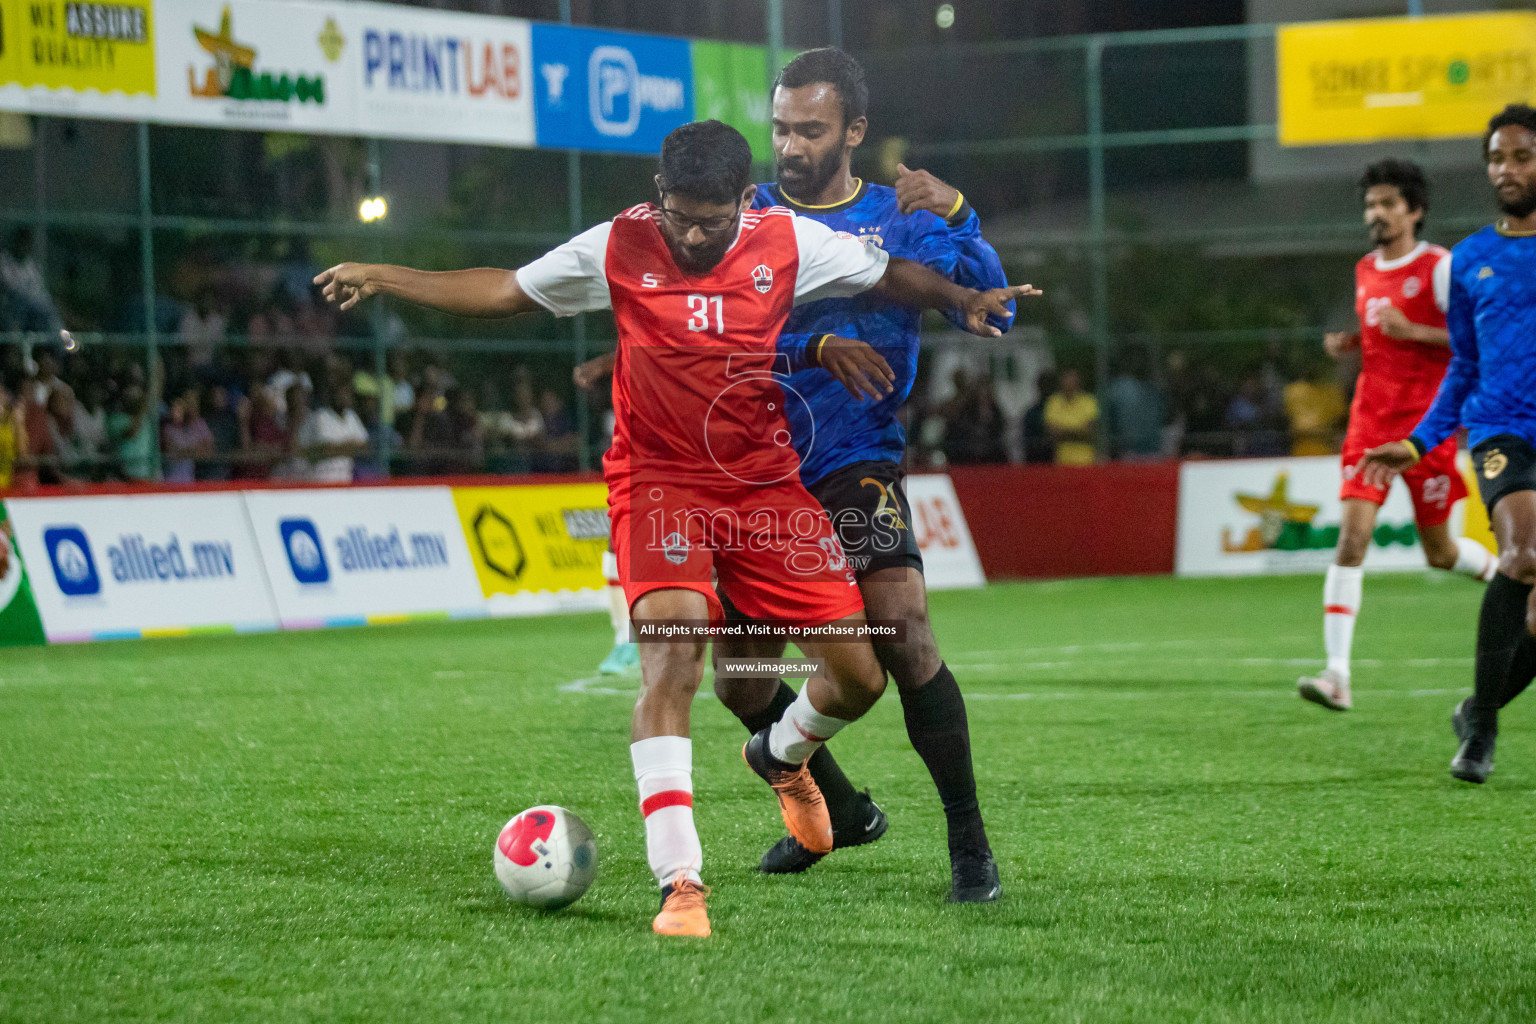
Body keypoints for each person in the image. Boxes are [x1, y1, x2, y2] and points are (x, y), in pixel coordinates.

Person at [316, 119, 1026, 936]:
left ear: (743, 202)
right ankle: (680, 884)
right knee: (675, 655)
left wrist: (962, 297)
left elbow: (890, 273)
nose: (692, 235)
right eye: (680, 216)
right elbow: (507, 290)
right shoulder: (619, 243)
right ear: (660, 198)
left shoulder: (785, 240)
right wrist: (383, 274)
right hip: (659, 487)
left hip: (764, 489)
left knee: (861, 675)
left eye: (711, 220)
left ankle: (781, 756)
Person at [574, 50, 1032, 901]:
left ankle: (969, 847)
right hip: (746, 466)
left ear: (854, 132)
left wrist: (963, 212)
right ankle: (844, 809)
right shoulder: (735, 215)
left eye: (809, 129)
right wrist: (808, 344)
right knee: (741, 682)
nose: (789, 145)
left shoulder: (899, 218)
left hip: (852, 456)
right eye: (781, 127)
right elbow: (707, 337)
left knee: (903, 625)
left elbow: (987, 303)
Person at [1360, 105, 1536, 782]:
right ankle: (1483, 737)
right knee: (1521, 553)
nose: (1506, 169)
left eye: (1520, 156)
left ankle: (1473, 708)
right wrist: (1419, 440)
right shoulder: (1472, 259)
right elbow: (1463, 365)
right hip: (1501, 431)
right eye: (1497, 158)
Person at [1297, 159, 1497, 712]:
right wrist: (1353, 346)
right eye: (1370, 205)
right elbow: (1382, 338)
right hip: (1370, 425)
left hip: (1425, 432)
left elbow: (1476, 344)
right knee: (1352, 540)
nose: (1376, 214)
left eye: (1387, 204)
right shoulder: (1365, 269)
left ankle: (1514, 577)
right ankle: (1337, 674)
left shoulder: (1439, 267)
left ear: (1414, 210)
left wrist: (1415, 332)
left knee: (1440, 553)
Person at [298, 383, 369, 484]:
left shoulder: (351, 416)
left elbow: (365, 448)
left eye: (346, 394)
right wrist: (351, 446)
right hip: (322, 477)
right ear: (332, 396)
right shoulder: (321, 416)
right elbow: (326, 450)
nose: (344, 398)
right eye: (340, 394)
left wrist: (339, 448)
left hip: (345, 477)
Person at [1044, 367, 1097, 465]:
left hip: (1086, 461)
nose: (1069, 383)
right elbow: (1051, 431)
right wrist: (1077, 431)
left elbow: (1089, 431)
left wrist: (1063, 431)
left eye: (1072, 379)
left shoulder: (1089, 401)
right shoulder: (1053, 402)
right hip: (1061, 460)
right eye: (1066, 379)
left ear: (1078, 382)